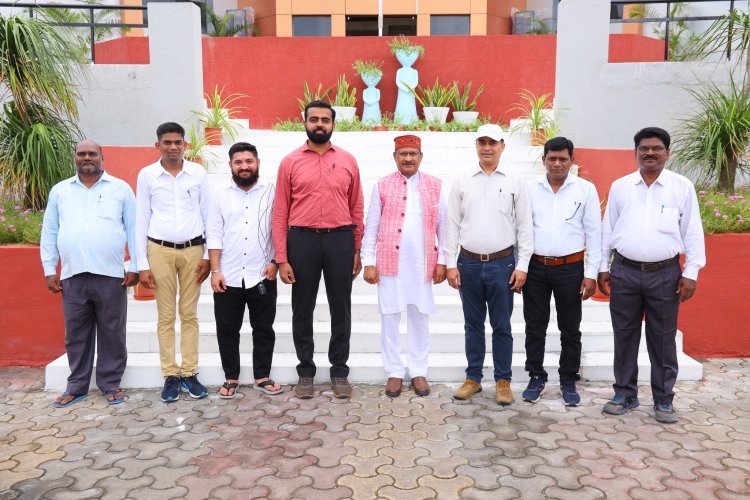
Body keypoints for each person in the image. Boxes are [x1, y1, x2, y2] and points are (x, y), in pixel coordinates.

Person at [598, 127, 705, 424]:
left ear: (667, 153)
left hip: (665, 275)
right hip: (624, 272)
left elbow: (693, 231)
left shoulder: (681, 187)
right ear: (635, 153)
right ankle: (624, 393)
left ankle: (663, 399)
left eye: (657, 148)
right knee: (624, 335)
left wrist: (691, 271)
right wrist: (602, 267)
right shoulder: (621, 187)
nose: (650, 153)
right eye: (644, 148)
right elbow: (609, 229)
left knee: (662, 337)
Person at [272, 100, 364, 399]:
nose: (320, 124)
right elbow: (280, 212)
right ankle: (306, 373)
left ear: (333, 124)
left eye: (325, 119)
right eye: (314, 119)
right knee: (303, 308)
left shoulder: (349, 160)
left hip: (340, 240)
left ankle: (339, 371)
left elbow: (357, 207)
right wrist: (282, 258)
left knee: (342, 308)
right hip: (303, 241)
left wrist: (356, 250)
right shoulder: (290, 162)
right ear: (305, 122)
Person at [40, 140, 138, 407]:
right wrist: (50, 269)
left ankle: (110, 384)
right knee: (76, 333)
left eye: (92, 154)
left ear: (101, 157)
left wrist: (136, 266)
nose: (87, 158)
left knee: (112, 331)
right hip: (72, 275)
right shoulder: (60, 191)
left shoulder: (120, 189)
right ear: (75, 158)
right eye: (82, 154)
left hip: (111, 274)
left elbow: (134, 229)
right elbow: (49, 231)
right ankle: (77, 385)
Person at [445, 124, 533, 405]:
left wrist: (523, 265)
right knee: (472, 325)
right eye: (481, 142)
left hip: (502, 264)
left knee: (502, 325)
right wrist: (450, 263)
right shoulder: (462, 181)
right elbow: (452, 224)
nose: (486, 147)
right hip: (468, 263)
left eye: (492, 143)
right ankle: (473, 378)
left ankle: (503, 381)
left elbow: (524, 227)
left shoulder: (515, 182)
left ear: (502, 146)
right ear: (476, 146)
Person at [362, 135, 447, 398]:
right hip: (389, 262)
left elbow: (444, 227)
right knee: (390, 317)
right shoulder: (382, 185)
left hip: (422, 264)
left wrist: (443, 261)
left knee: (420, 317)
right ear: (394, 156)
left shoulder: (435, 185)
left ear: (421, 156)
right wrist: (368, 261)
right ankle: (394, 372)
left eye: (413, 153)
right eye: (402, 154)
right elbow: (372, 225)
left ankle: (418, 370)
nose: (408, 158)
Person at [521, 137, 601, 406]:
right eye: (552, 158)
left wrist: (591, 273)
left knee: (570, 327)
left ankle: (568, 379)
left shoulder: (585, 189)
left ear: (571, 160)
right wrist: (521, 267)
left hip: (571, 268)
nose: (557, 164)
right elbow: (520, 230)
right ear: (543, 160)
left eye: (563, 159)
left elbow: (594, 233)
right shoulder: (529, 189)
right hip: (536, 267)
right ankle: (536, 376)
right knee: (535, 326)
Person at [135, 122, 211, 403]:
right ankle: (170, 374)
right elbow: (141, 218)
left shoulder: (198, 173)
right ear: (158, 146)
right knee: (166, 316)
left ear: (185, 145)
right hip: (160, 251)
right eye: (167, 142)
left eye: (178, 142)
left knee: (189, 314)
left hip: (193, 251)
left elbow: (209, 215)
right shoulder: (147, 176)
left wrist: (206, 256)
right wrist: (142, 262)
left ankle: (190, 373)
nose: (173, 147)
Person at [206, 142, 282, 399]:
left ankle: (262, 376)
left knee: (263, 329)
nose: (244, 166)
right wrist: (215, 271)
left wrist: (275, 261)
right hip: (228, 275)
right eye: (238, 162)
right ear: (230, 166)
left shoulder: (272, 192)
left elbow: (279, 229)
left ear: (258, 163)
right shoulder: (219, 194)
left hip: (262, 273)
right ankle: (231, 377)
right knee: (227, 330)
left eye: (249, 161)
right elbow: (214, 233)